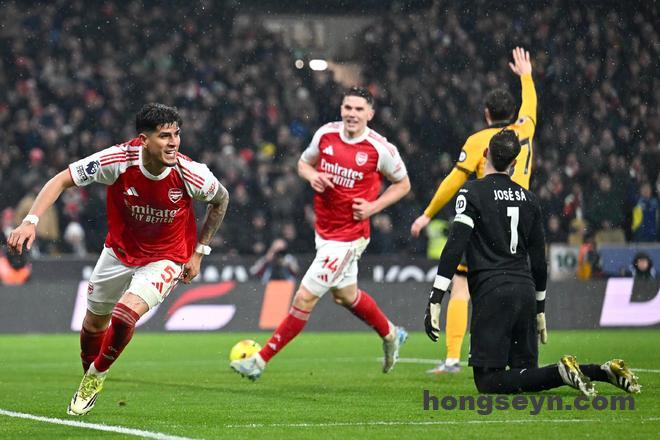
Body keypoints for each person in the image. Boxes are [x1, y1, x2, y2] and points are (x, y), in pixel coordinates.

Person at [7, 103, 229, 416]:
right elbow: (61, 179)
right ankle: (88, 375)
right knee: (93, 324)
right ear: (144, 140)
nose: (173, 143)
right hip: (118, 252)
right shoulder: (118, 160)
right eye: (164, 136)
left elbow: (221, 199)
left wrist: (200, 252)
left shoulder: (191, 174)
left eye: (176, 134)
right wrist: (30, 221)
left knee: (125, 314)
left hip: (166, 257)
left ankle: (95, 377)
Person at [423, 130, 640, 396]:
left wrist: (436, 297)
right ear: (515, 163)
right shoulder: (529, 199)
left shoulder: (471, 192)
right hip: (524, 291)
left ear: (485, 154)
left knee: (488, 382)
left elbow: (455, 246)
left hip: (492, 293)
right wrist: (540, 309)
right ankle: (601, 371)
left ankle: (562, 372)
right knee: (526, 375)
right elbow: (539, 262)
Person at [231, 87, 411, 380]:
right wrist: (313, 175)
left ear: (370, 113)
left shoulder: (380, 149)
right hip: (324, 232)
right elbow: (303, 164)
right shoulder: (326, 134)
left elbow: (403, 184)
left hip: (349, 237)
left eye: (359, 109)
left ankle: (259, 362)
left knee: (303, 298)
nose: (352, 114)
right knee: (345, 296)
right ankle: (391, 333)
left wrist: (373, 207)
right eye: (348, 108)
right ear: (341, 109)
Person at [411, 47, 538, 374]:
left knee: (462, 285)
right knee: (515, 281)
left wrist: (428, 213)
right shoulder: (524, 131)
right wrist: (526, 77)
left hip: (490, 216)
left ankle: (454, 358)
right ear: (513, 113)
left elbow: (455, 180)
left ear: (486, 113)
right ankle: (519, 357)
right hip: (522, 215)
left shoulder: (480, 140)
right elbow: (531, 107)